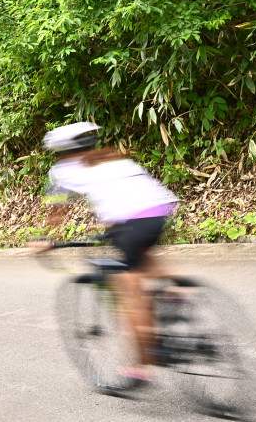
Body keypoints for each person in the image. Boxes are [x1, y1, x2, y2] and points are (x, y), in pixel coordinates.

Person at [36, 122, 179, 386]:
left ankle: (141, 368)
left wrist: (45, 240)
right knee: (141, 256)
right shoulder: (114, 159)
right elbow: (130, 195)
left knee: (130, 301)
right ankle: (180, 293)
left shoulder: (63, 170)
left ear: (60, 151)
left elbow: (57, 209)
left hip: (132, 222)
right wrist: (109, 223)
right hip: (159, 212)